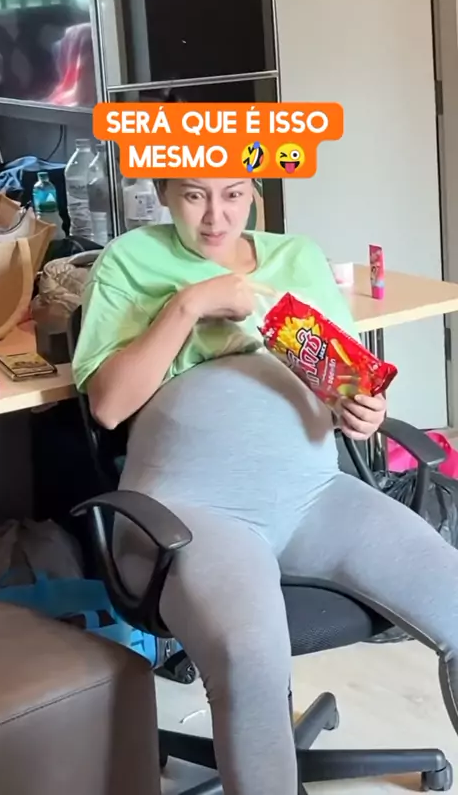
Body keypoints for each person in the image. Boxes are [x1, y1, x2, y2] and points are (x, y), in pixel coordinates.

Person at [72, 176, 458, 795]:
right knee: (251, 657)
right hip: (193, 515)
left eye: (232, 195)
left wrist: (364, 410)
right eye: (194, 196)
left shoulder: (296, 256)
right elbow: (109, 407)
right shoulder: (128, 260)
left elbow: (345, 379)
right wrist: (187, 306)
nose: (215, 217)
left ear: (254, 192)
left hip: (316, 496)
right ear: (164, 193)